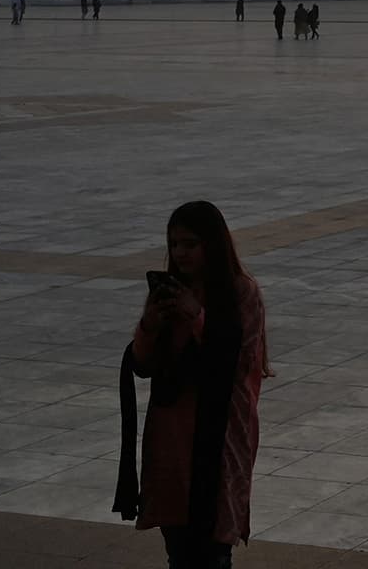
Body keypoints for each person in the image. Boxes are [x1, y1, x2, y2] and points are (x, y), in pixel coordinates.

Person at [117, 200, 270, 569]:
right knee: (179, 547)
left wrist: (196, 314)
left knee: (213, 546)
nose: (180, 253)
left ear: (212, 245)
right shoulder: (172, 290)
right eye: (174, 244)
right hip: (172, 433)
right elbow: (142, 363)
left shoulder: (240, 293)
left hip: (219, 432)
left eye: (190, 244)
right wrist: (151, 322)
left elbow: (236, 360)